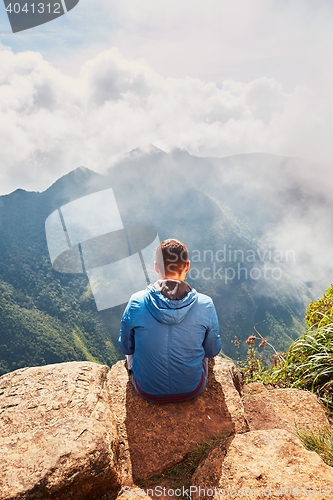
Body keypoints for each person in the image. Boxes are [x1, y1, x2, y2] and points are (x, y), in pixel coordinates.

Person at [118, 238, 221, 403]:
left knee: (131, 350)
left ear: (156, 266)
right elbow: (212, 350)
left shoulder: (136, 301)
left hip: (146, 390)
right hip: (192, 389)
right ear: (187, 266)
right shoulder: (205, 304)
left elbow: (125, 346)